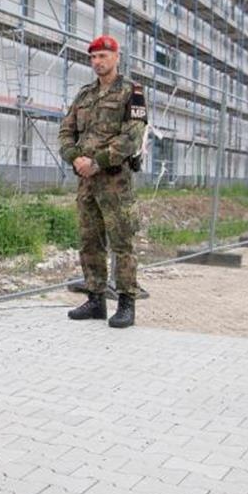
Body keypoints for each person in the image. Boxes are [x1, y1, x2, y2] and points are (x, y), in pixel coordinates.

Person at [57, 35, 147, 329]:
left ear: (116, 57)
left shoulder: (132, 92)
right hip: (86, 183)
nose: (98, 62)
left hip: (115, 182)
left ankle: (126, 303)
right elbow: (66, 131)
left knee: (122, 242)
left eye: (103, 56)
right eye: (93, 57)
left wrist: (97, 162)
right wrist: (75, 158)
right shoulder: (84, 95)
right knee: (90, 241)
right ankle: (96, 300)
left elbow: (132, 136)